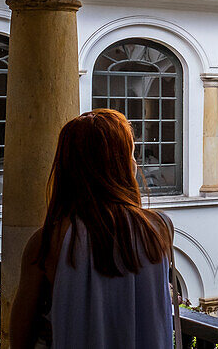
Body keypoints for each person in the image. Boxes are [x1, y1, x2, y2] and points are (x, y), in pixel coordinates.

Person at [10, 109, 175, 349]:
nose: (135, 162)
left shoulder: (46, 243)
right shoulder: (159, 229)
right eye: (130, 153)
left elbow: (20, 339)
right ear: (121, 164)